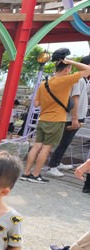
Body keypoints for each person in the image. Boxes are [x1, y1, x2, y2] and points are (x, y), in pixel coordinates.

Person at [21, 54, 90, 183]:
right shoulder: (66, 80)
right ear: (66, 69)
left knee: (36, 146)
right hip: (56, 119)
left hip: (43, 119)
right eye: (69, 68)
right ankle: (36, 175)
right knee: (46, 148)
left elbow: (36, 103)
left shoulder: (44, 83)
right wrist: (70, 61)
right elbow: (87, 70)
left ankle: (26, 173)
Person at [47, 55, 90, 177]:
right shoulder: (79, 80)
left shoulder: (84, 80)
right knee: (64, 142)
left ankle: (57, 162)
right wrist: (75, 118)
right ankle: (53, 166)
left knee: (66, 142)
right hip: (72, 117)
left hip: (76, 116)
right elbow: (74, 98)